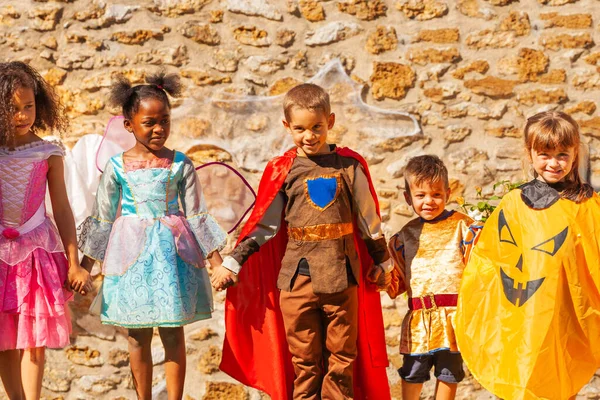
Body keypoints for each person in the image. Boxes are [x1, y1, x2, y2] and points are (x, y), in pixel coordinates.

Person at [213, 83, 392, 400]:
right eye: (300, 129)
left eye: (316, 127)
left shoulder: (349, 167)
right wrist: (233, 261)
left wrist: (384, 260)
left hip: (342, 278)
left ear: (330, 122)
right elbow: (264, 225)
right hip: (298, 280)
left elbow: (368, 220)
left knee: (342, 362)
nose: (309, 135)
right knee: (305, 364)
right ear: (287, 127)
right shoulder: (284, 170)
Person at [78, 72, 227, 399]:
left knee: (173, 333)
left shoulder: (180, 164)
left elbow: (197, 214)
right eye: (150, 122)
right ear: (129, 125)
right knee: (137, 336)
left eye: (165, 121)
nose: (159, 128)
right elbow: (102, 218)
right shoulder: (116, 167)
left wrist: (217, 263)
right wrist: (85, 267)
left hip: (172, 258)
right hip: (130, 259)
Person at [455, 111, 600, 400]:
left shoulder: (588, 204)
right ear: (530, 154)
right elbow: (494, 258)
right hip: (527, 310)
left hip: (569, 308)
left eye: (562, 154)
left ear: (575, 154)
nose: (553, 163)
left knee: (564, 376)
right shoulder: (515, 203)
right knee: (527, 374)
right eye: (545, 154)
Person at [0, 61, 91, 400]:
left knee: (34, 339)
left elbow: (63, 208)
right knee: (5, 342)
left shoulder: (48, 152)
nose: (23, 115)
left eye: (29, 106)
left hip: (35, 253)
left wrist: (75, 261)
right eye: (13, 108)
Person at [386, 155, 481, 400]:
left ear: (447, 193)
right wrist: (378, 271)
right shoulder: (403, 237)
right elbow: (395, 283)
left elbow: (481, 267)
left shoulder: (464, 227)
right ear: (408, 197)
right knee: (413, 372)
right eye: (421, 195)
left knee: (449, 373)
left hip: (453, 319)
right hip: (418, 321)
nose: (429, 201)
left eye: (436, 194)